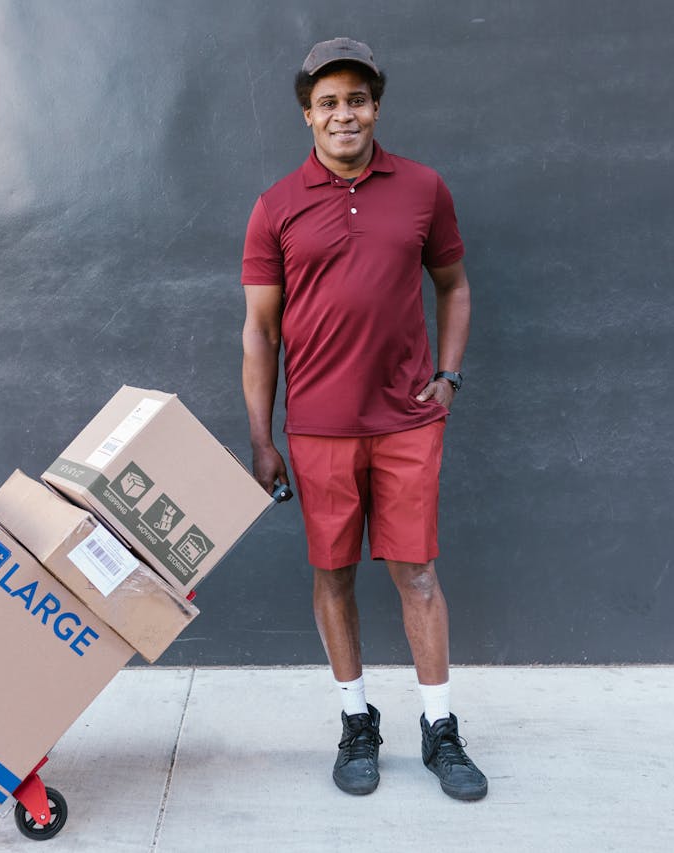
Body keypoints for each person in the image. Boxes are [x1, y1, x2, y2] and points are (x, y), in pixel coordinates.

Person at [240, 37, 487, 801]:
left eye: (356, 99)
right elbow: (259, 329)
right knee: (333, 572)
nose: (343, 113)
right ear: (306, 116)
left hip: (408, 422)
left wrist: (447, 377)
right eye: (327, 102)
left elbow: (454, 285)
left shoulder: (422, 188)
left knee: (416, 571)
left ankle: (439, 726)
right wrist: (262, 433)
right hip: (317, 426)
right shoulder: (276, 206)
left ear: (375, 105)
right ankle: (357, 720)